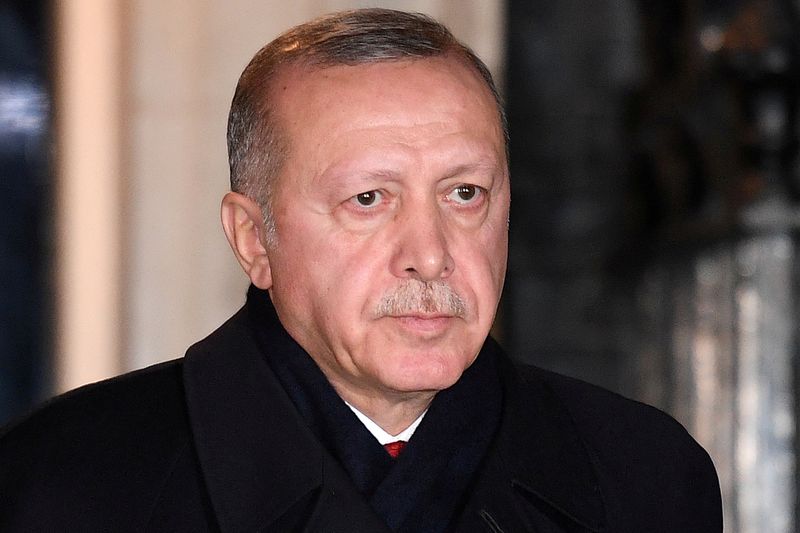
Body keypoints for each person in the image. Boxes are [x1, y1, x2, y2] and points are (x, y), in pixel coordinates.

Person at [0, 8, 721, 532]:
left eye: (464, 193)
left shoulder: (642, 475)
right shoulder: (67, 482)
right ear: (255, 240)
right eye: (369, 198)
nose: (431, 252)